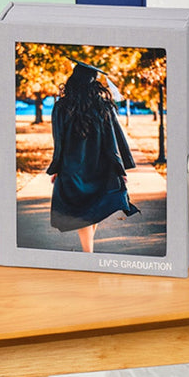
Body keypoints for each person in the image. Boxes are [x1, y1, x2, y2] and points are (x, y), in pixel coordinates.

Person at [47, 61, 139, 253]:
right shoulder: (104, 107)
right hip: (101, 167)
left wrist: (57, 167)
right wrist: (119, 168)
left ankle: (88, 255)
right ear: (93, 83)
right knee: (89, 212)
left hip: (73, 169)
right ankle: (88, 253)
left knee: (87, 213)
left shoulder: (61, 107)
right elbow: (113, 142)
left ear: (73, 80)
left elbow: (59, 143)